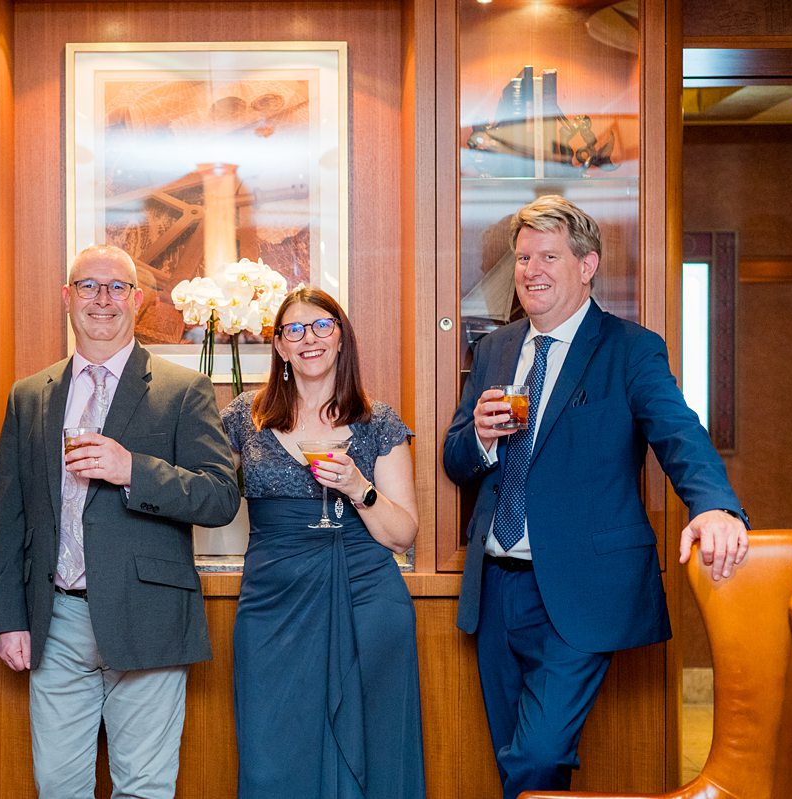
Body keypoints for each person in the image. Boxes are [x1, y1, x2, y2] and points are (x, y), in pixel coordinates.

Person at [443, 195, 750, 799]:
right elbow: (456, 462)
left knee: (537, 752)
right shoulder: (497, 349)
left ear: (587, 265)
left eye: (548, 256)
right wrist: (477, 437)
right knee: (513, 758)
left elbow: (678, 432)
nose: (530, 269)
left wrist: (714, 505)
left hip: (581, 588)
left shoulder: (629, 349)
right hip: (497, 588)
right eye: (523, 256)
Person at [0, 244, 240, 799]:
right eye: (88, 285)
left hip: (149, 614)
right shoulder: (30, 395)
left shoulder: (182, 390)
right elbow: (8, 515)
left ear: (139, 300)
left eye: (117, 287)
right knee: (57, 787)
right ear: (67, 297)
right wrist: (8, 618)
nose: (102, 299)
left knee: (145, 788)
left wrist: (134, 471)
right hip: (56, 620)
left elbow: (222, 496)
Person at [220, 286, 426, 799]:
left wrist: (360, 488)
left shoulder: (377, 422)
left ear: (341, 339)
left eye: (322, 326)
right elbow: (204, 489)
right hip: (273, 606)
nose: (308, 338)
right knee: (271, 757)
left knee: (373, 750)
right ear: (280, 347)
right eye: (294, 329)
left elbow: (403, 534)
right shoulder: (247, 416)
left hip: (366, 600)